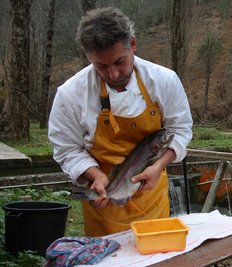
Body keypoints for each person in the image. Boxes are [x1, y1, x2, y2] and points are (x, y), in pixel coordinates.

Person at [48, 7, 193, 237]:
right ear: (89, 57)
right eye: (101, 66)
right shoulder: (70, 94)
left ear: (133, 44)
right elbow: (67, 149)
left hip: (151, 198)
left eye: (119, 62)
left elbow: (180, 130)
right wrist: (95, 176)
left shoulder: (163, 80)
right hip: (104, 202)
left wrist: (158, 166)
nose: (113, 74)